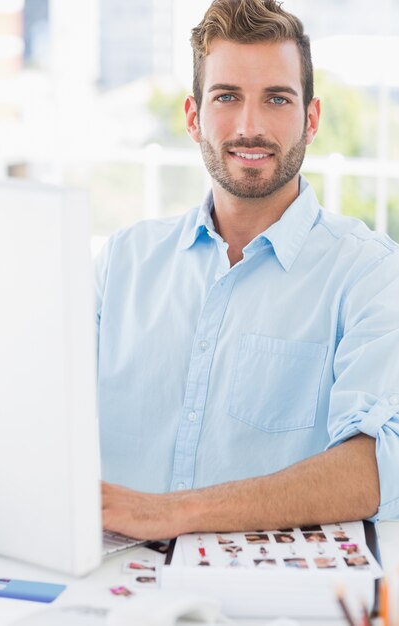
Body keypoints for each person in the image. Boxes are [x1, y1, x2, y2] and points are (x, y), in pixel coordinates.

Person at [97, 0, 399, 539]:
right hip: (107, 588)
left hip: (270, 599)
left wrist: (171, 513)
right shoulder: (121, 262)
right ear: (194, 118)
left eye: (277, 99)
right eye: (227, 97)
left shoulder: (369, 274)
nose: (250, 126)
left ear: (311, 118)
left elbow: (377, 469)